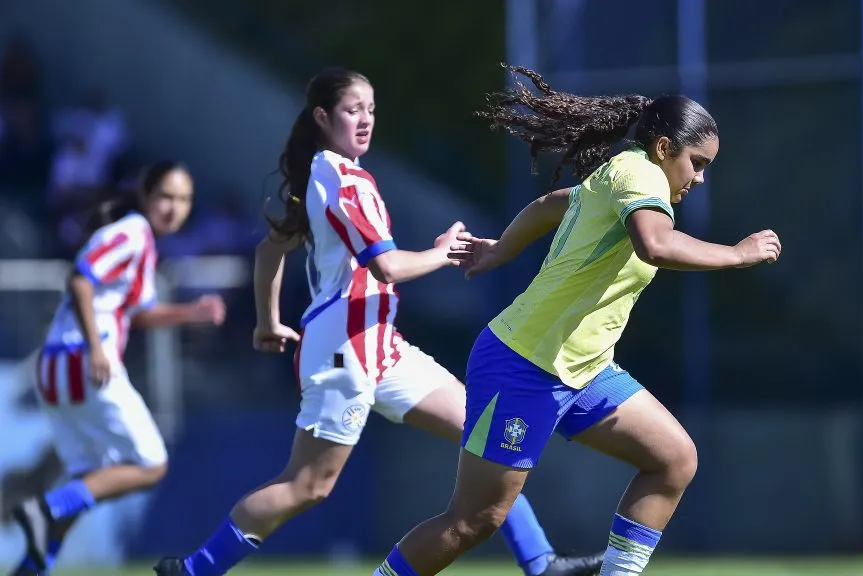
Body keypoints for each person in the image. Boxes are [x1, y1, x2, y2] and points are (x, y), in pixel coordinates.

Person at [154, 67, 603, 576]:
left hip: (378, 342)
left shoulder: (323, 175)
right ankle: (193, 571)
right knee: (308, 485)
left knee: (484, 433)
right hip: (345, 344)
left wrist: (267, 322)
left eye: (370, 108)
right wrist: (442, 252)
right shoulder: (344, 180)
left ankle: (541, 563)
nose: (365, 120)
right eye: (353, 110)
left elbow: (268, 250)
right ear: (323, 117)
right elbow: (387, 266)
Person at [370, 64, 783, 576]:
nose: (699, 178)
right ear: (662, 148)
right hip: (523, 364)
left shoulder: (623, 173)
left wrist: (501, 249)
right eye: (696, 163)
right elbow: (653, 245)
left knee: (674, 459)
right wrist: (738, 255)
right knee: (473, 521)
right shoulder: (639, 174)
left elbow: (552, 204)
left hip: (584, 370)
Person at [8, 161, 227, 576]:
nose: (174, 207)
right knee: (151, 465)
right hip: (84, 361)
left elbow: (139, 313)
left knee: (88, 482)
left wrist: (190, 313)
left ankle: (29, 568)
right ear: (145, 196)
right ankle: (43, 508)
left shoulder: (140, 241)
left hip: (59, 367)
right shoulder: (131, 232)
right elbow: (80, 281)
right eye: (166, 196)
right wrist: (95, 348)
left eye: (184, 200)